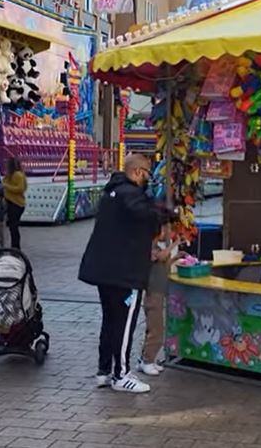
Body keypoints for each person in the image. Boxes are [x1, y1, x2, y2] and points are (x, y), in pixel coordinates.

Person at [79, 154, 161, 394]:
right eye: (147, 173)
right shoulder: (133, 195)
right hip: (126, 272)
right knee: (124, 323)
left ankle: (104, 371)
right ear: (136, 172)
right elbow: (148, 219)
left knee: (110, 320)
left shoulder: (110, 193)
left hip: (104, 270)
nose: (148, 178)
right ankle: (121, 374)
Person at [138, 224, 183, 376]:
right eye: (165, 230)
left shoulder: (157, 247)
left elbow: (164, 264)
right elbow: (161, 257)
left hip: (159, 293)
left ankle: (146, 359)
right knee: (156, 330)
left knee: (153, 328)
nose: (167, 234)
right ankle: (147, 361)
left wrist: (175, 257)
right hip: (153, 294)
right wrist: (175, 244)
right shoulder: (150, 247)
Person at [2, 157, 27, 249]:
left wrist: (6, 186)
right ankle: (14, 246)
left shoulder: (17, 175)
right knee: (13, 227)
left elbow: (20, 189)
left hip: (16, 203)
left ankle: (16, 246)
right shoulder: (12, 175)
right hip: (12, 202)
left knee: (14, 227)